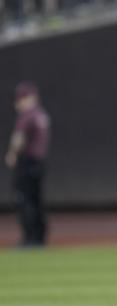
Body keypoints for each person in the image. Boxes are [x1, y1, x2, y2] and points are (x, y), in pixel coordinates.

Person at [5, 81, 51, 248]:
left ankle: (30, 239)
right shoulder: (41, 114)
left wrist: (12, 154)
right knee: (36, 200)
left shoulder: (27, 115)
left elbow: (19, 138)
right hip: (39, 162)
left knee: (25, 201)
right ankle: (39, 237)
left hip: (27, 162)